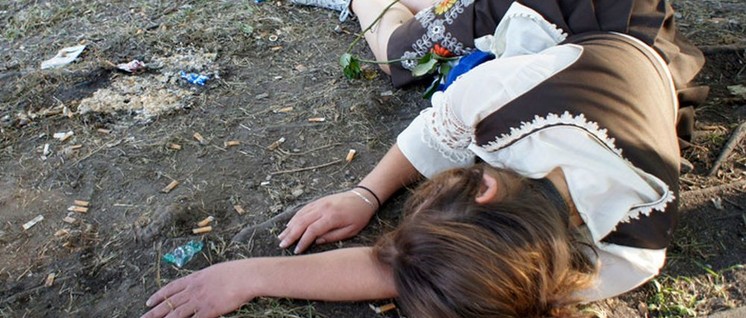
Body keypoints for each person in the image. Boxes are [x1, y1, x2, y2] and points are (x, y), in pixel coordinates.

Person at [141, 1, 706, 317]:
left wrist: (253, 275)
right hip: (566, 11)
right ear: (483, 186)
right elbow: (431, 143)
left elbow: (450, 279)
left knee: (431, 35)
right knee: (401, 56)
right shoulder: (498, 95)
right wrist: (366, 193)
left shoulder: (624, 259)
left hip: (634, 66)